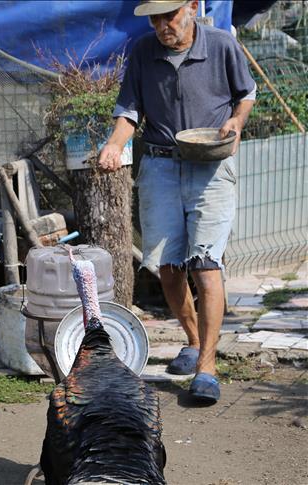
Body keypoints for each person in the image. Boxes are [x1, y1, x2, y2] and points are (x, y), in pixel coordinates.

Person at [98, 0, 256, 403]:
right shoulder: (143, 52)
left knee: (206, 266)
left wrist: (236, 121)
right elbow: (129, 111)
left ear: (192, 7)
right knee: (167, 268)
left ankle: (207, 367)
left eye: (169, 15)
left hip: (211, 167)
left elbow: (246, 95)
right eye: (155, 18)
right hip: (160, 167)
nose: (162, 25)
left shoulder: (220, 45)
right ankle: (193, 339)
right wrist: (114, 145)